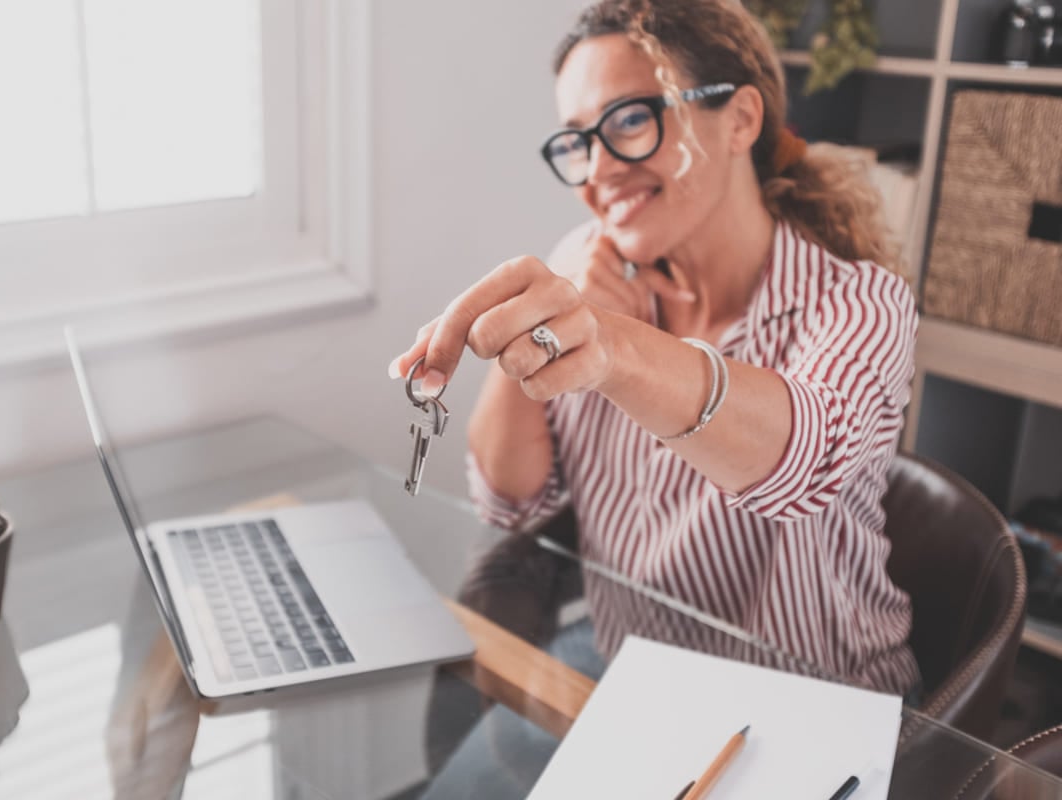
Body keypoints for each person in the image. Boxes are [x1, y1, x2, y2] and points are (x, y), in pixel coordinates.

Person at [390, 0, 920, 699]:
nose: (598, 170)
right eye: (578, 140)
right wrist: (519, 350)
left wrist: (614, 348)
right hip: (631, 675)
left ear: (740, 119)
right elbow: (510, 500)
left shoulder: (860, 302)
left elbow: (802, 467)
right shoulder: (586, 271)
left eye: (632, 118)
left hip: (814, 702)